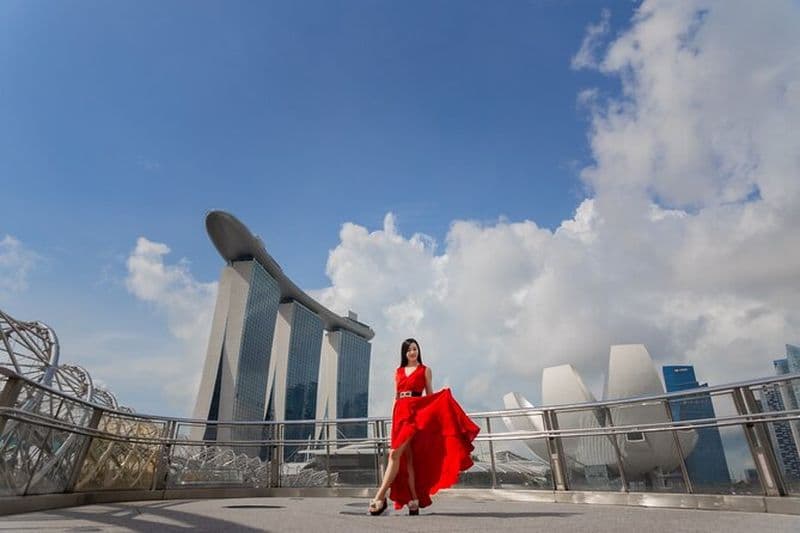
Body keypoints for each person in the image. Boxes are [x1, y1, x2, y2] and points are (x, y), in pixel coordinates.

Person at [368, 338, 480, 516]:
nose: (412, 352)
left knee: (394, 454)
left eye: (414, 349)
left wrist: (438, 406)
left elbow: (430, 396)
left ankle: (380, 497)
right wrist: (393, 418)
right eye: (408, 350)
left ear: (418, 350)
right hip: (400, 415)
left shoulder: (425, 370)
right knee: (408, 459)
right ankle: (414, 501)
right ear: (404, 354)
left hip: (416, 414)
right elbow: (396, 397)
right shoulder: (398, 372)